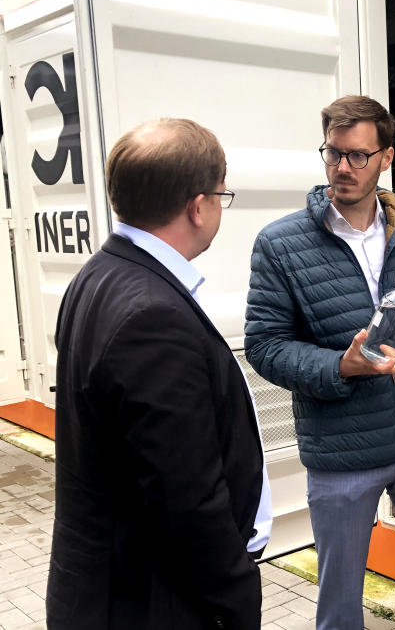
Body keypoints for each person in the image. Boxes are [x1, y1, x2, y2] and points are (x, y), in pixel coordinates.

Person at [245, 95, 395, 629]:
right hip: (342, 451)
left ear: (386, 157)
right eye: (333, 154)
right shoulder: (281, 244)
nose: (342, 168)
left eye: (358, 156)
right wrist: (340, 367)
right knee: (340, 604)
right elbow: (265, 346)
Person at [48, 118, 271, 630]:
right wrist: (237, 596)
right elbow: (187, 501)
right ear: (197, 206)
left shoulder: (98, 275)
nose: (220, 206)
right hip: (153, 604)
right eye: (221, 194)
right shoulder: (153, 317)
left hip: (113, 588)